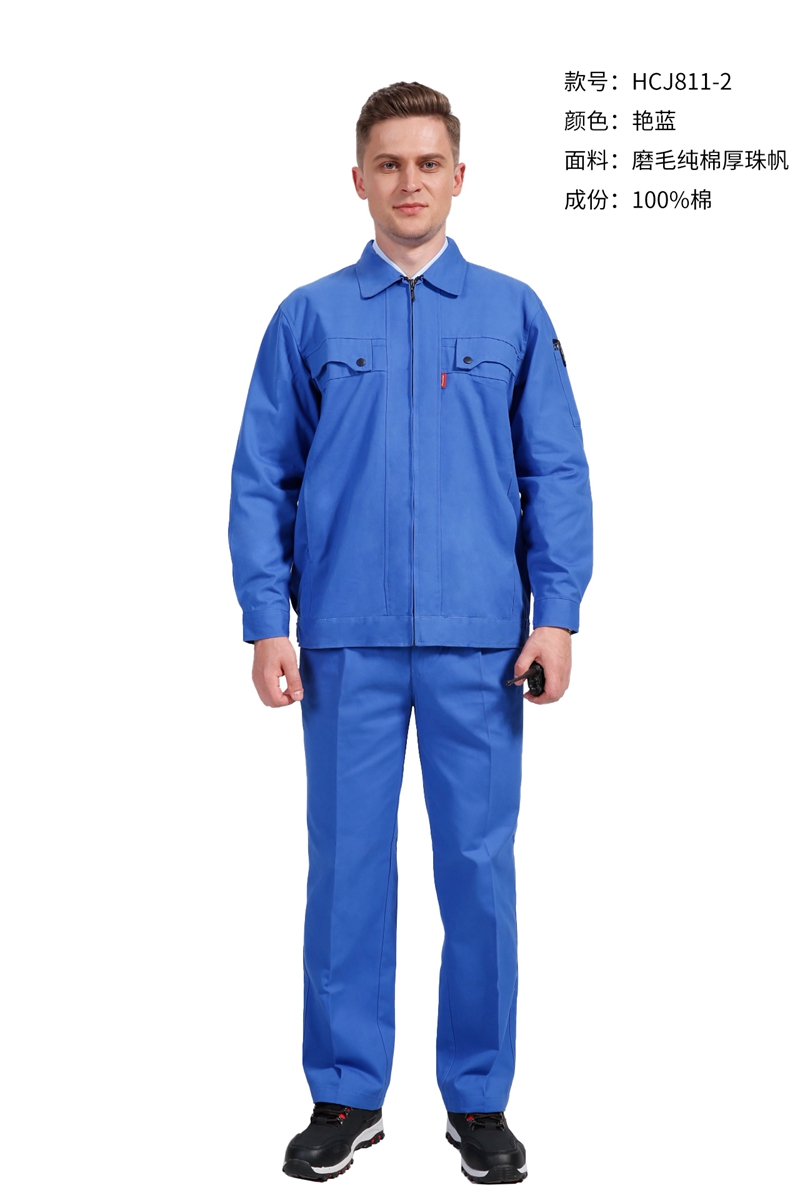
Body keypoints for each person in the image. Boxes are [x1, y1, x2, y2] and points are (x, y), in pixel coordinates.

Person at [228, 81, 592, 1185]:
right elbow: (262, 477)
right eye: (388, 163)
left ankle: (478, 1101)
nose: (409, 182)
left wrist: (556, 614)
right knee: (346, 869)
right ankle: (346, 1094)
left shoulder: (513, 312)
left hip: (483, 645)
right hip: (344, 640)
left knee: (476, 873)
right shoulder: (308, 316)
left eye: (428, 162)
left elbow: (556, 472)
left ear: (459, 176)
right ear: (358, 179)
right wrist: (267, 621)